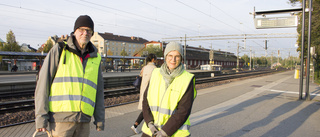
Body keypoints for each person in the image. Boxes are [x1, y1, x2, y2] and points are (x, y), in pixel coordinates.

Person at [34, 15, 105, 137]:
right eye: (81, 29)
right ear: (75, 31)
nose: (85, 33)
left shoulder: (95, 57)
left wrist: (99, 119)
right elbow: (43, 84)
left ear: (92, 34)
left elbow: (98, 90)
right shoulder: (60, 50)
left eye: (89, 30)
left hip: (84, 119)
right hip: (60, 120)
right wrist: (41, 118)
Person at [141, 42, 197, 137]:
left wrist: (164, 132)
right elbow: (145, 100)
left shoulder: (187, 79)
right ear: (165, 56)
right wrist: (149, 123)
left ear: (181, 58)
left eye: (177, 56)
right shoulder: (155, 73)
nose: (173, 59)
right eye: (170, 55)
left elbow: (183, 111)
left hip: (174, 132)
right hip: (151, 130)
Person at [131, 53, 157, 134]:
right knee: (147, 110)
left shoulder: (144, 68)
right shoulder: (155, 69)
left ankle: (135, 125)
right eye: (155, 59)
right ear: (153, 59)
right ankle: (137, 126)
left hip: (143, 91)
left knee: (145, 110)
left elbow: (140, 77)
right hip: (151, 93)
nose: (156, 60)